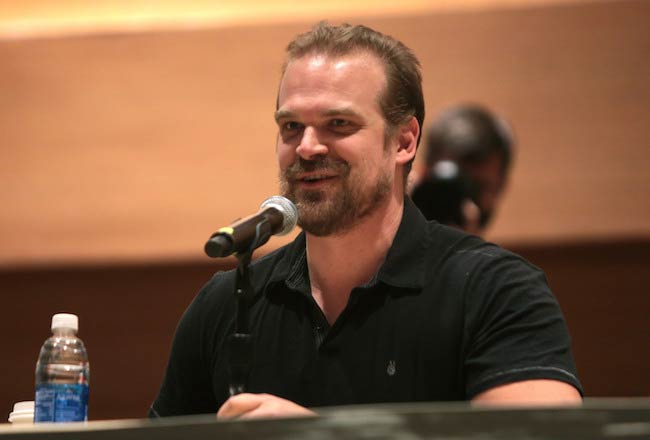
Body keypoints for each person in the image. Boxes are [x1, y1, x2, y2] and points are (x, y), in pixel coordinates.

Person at [150, 22, 582, 420]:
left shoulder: (497, 290)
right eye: (291, 126)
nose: (307, 147)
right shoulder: (225, 304)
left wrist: (319, 436)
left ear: (404, 141)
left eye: (338, 123)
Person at [409, 104, 514, 236]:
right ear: (424, 172)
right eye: (454, 184)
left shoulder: (502, 257)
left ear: (501, 186)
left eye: (479, 186)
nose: (468, 207)